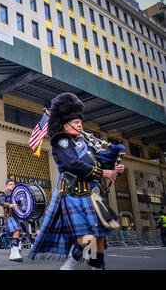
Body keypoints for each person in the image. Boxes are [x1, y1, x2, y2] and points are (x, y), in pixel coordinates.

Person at [28, 93, 126, 270]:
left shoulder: (86, 144)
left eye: (80, 122)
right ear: (65, 126)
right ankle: (70, 264)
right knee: (88, 236)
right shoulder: (61, 141)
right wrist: (103, 172)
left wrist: (115, 166)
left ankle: (95, 266)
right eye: (75, 122)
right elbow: (72, 164)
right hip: (74, 193)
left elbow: (100, 161)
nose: (80, 124)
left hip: (92, 194)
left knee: (100, 235)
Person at [0, 179, 24, 262]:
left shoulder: (17, 193)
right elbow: (1, 202)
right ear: (6, 186)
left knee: (17, 232)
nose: (12, 185)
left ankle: (12, 254)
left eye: (13, 184)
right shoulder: (3, 194)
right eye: (10, 184)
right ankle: (16, 253)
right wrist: (10, 205)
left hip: (17, 215)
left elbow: (20, 203)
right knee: (16, 230)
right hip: (9, 216)